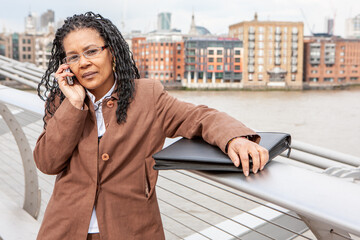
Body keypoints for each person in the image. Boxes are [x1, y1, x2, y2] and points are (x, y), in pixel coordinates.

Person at [34, 12, 269, 240]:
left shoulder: (148, 96)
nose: (84, 63)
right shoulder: (60, 101)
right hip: (65, 229)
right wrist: (74, 104)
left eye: (92, 51)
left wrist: (234, 138)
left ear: (112, 52)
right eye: (73, 57)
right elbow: (47, 163)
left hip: (132, 229)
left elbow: (198, 117)